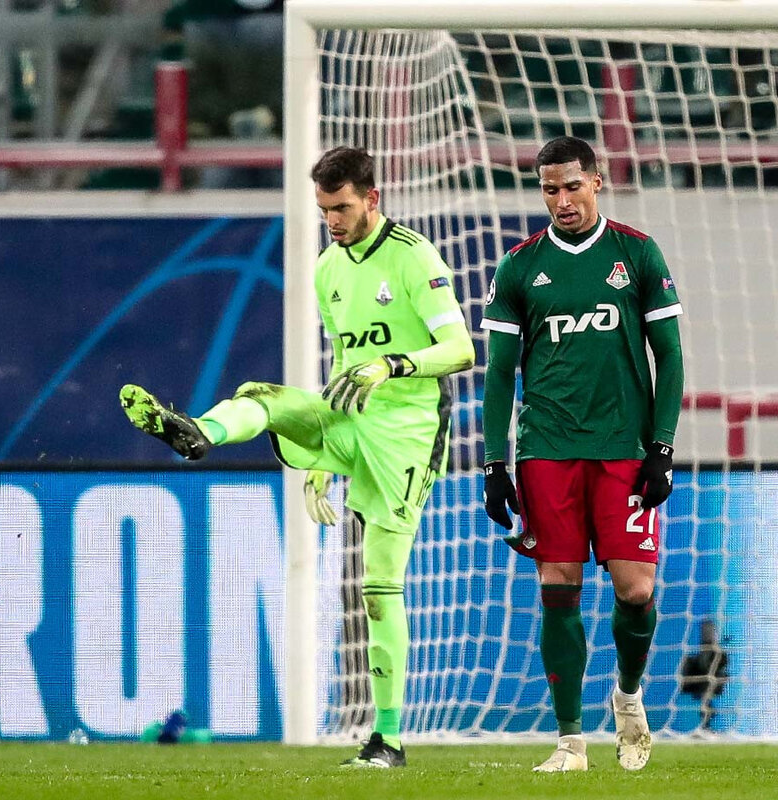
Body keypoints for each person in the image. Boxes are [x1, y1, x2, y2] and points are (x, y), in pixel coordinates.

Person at [119, 145, 475, 768]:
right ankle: (198, 432)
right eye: (323, 210)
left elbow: (461, 349)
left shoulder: (414, 255)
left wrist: (393, 364)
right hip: (348, 419)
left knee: (379, 588)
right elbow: (342, 365)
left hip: (408, 433)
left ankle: (387, 739)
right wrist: (319, 458)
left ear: (372, 198)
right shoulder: (327, 268)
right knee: (261, 396)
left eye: (342, 208)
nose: (332, 221)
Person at [481, 135, 685, 773]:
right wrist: (494, 464)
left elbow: (670, 356)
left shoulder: (637, 253)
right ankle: (570, 742)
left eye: (572, 186)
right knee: (557, 584)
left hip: (624, 447)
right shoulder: (520, 266)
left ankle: (628, 694)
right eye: (550, 189)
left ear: (597, 181)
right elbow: (498, 373)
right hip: (547, 448)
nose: (562, 200)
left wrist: (663, 447)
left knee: (635, 589)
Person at [679, 619, 729, 731]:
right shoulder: (697, 658)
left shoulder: (718, 653)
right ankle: (705, 725)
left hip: (710, 682)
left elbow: (722, 665)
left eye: (710, 631)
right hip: (700, 682)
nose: (707, 633)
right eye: (705, 631)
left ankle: (706, 725)